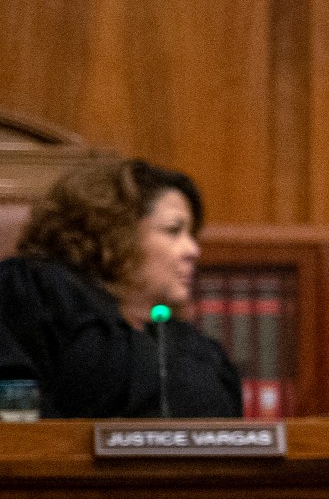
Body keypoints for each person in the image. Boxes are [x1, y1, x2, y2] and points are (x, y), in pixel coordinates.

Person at [0, 157, 242, 418]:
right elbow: (17, 418)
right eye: (174, 230)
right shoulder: (36, 289)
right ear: (115, 229)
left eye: (192, 234)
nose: (193, 250)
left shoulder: (193, 346)